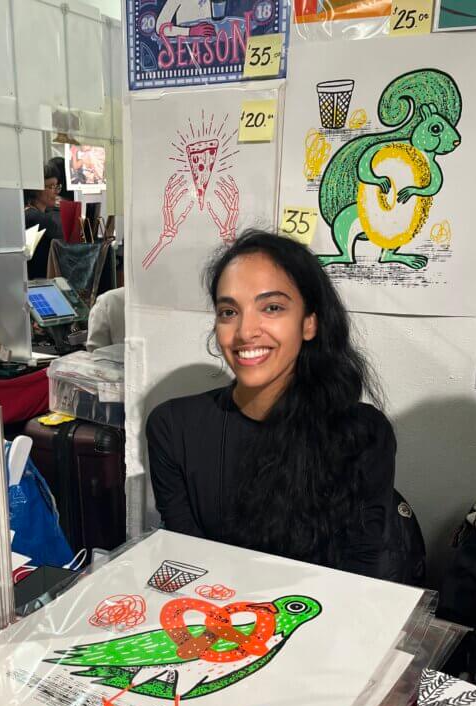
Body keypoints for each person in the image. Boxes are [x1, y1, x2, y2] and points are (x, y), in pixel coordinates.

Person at [146, 229, 409, 582]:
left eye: (272, 307)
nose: (245, 331)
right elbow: (189, 563)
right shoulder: (172, 428)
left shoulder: (360, 435)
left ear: (309, 323)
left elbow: (361, 575)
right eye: (229, 311)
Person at [24, 163, 63, 280]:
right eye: (50, 187)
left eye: (57, 186)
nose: (56, 192)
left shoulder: (30, 213)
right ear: (35, 189)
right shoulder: (37, 218)